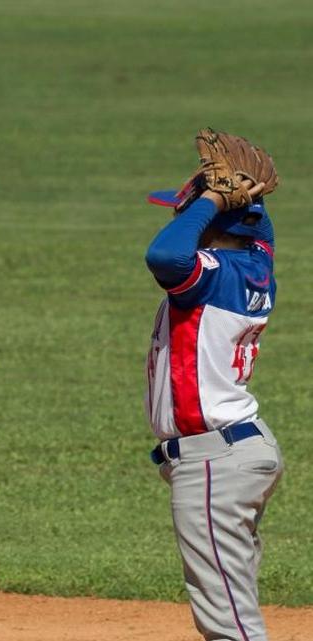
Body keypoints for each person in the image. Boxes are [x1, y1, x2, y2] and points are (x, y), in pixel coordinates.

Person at [145, 176, 282, 640]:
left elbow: (164, 256)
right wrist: (244, 204)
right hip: (239, 452)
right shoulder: (253, 265)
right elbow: (261, 236)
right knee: (231, 602)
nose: (176, 219)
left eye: (182, 213)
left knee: (229, 623)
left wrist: (210, 200)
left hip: (215, 462)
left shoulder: (209, 275)